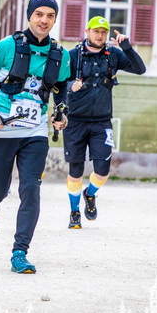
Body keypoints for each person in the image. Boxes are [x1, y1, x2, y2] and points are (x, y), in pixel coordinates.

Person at [0, 0, 70, 274]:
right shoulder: (7, 46)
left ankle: (20, 252)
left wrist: (61, 112)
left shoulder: (60, 55)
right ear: (29, 16)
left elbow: (62, 87)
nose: (44, 20)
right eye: (39, 14)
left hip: (35, 132)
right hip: (2, 130)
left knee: (31, 189)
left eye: (50, 15)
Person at [63, 16, 146, 229]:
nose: (100, 35)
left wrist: (127, 48)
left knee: (102, 171)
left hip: (101, 122)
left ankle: (90, 194)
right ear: (87, 32)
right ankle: (74, 212)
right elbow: (58, 84)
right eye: (96, 31)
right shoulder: (72, 56)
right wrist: (70, 85)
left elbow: (140, 69)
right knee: (75, 170)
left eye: (103, 32)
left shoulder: (113, 55)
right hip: (75, 121)